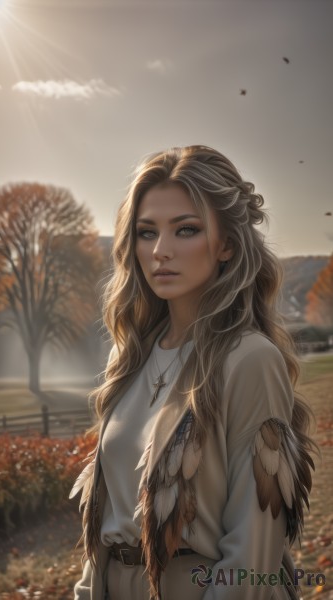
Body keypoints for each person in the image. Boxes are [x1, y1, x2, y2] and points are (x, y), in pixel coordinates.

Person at [71, 145, 315, 600]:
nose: (160, 251)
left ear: (225, 244)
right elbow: (105, 515)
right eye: (146, 233)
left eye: (185, 230)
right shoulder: (128, 359)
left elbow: (252, 554)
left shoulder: (249, 360)